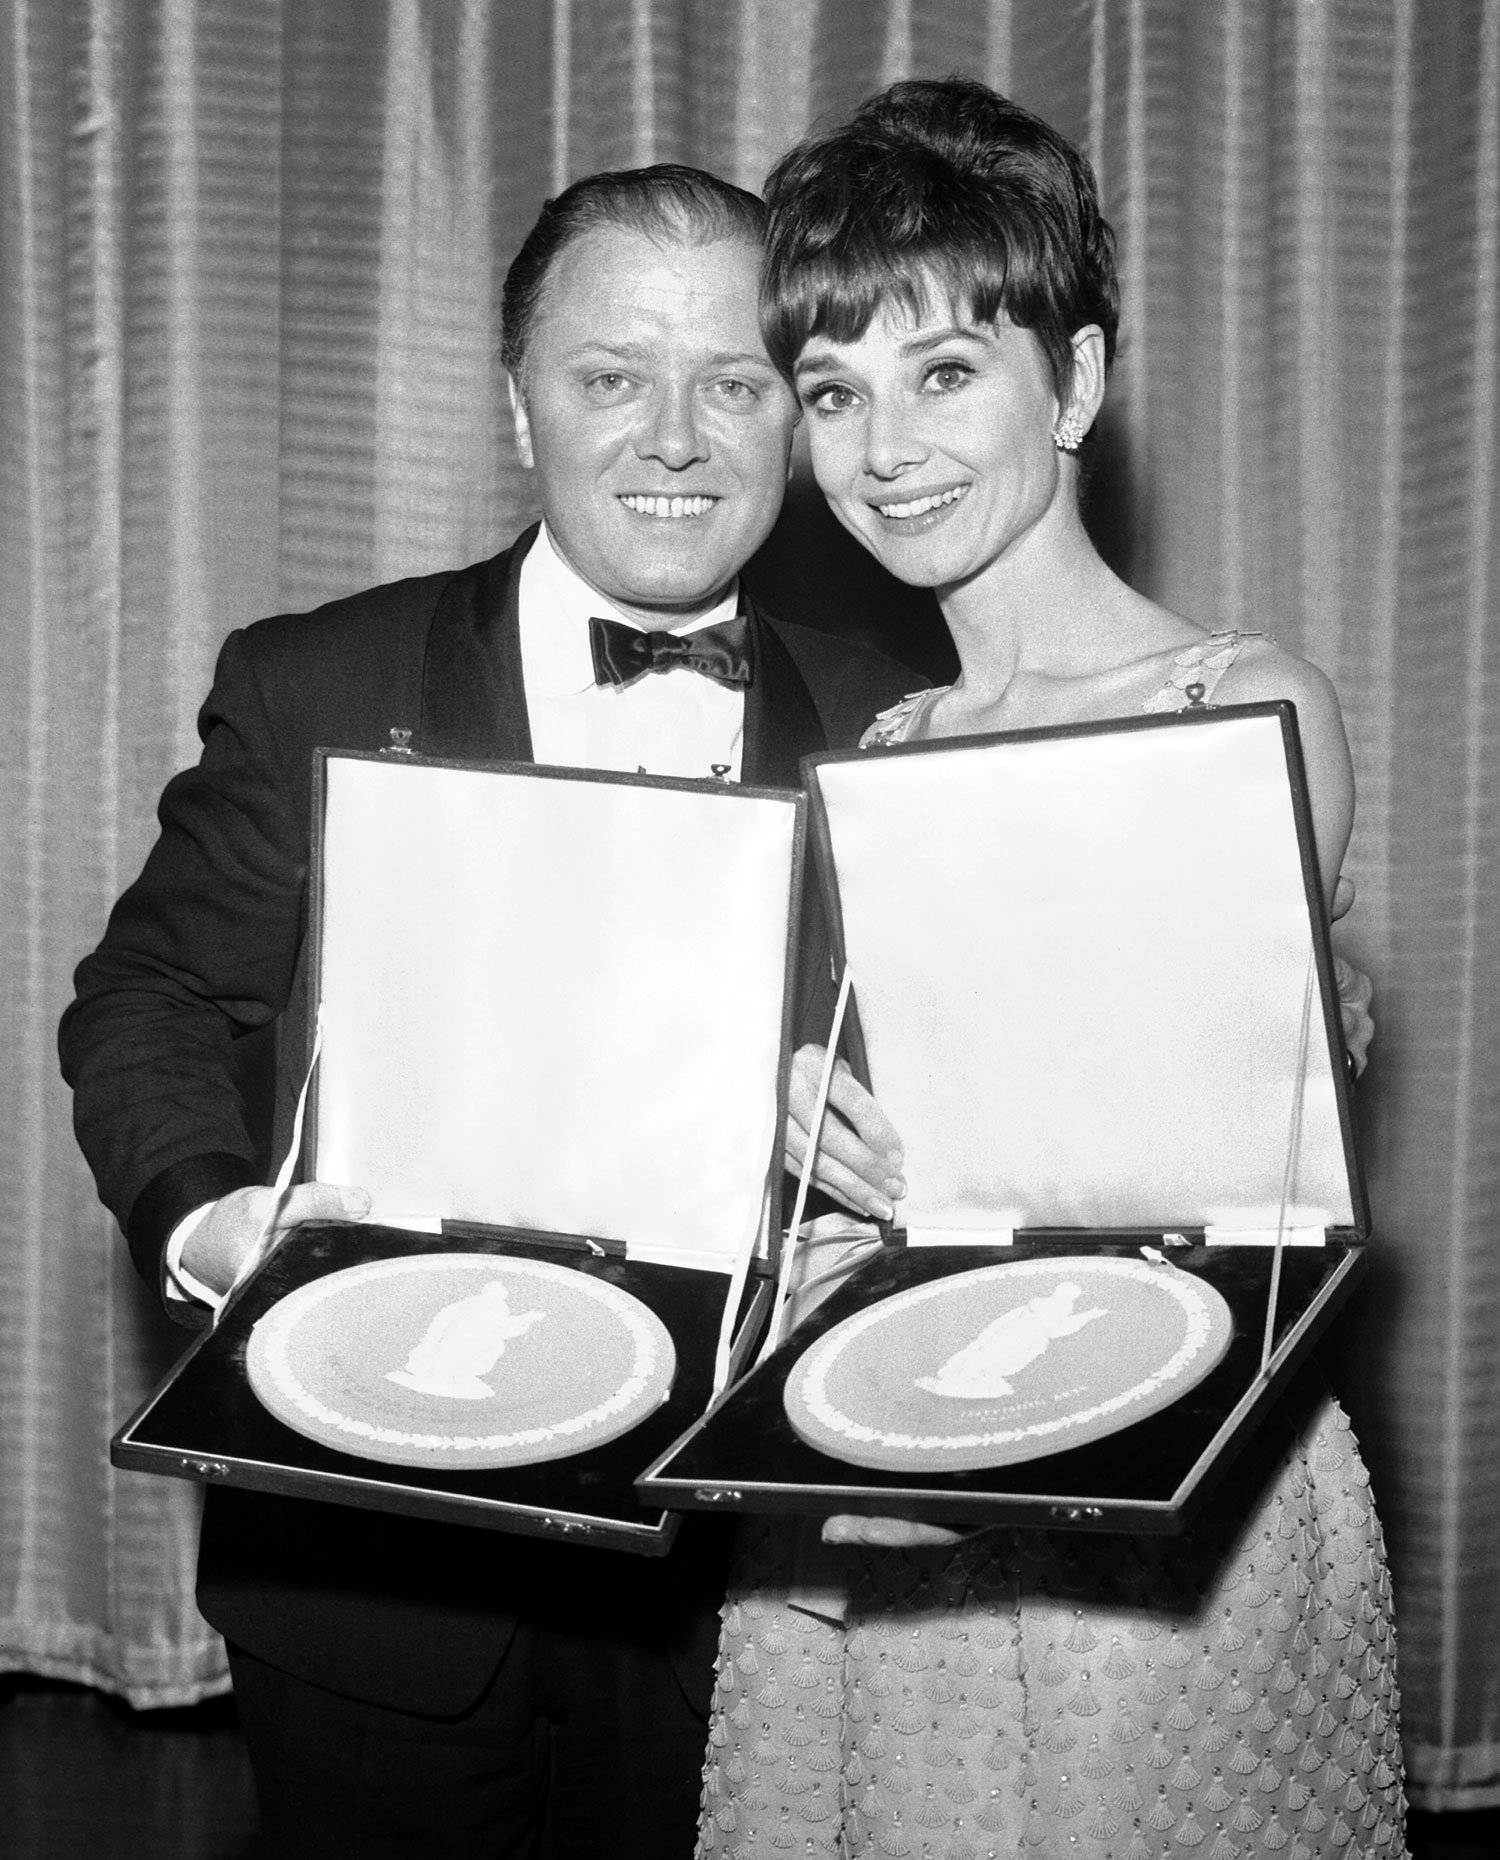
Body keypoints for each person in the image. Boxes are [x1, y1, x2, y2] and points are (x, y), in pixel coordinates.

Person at [59, 163, 917, 1860]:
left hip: (734, 1586)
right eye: (612, 377)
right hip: (371, 1577)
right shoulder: (314, 682)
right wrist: (212, 1223)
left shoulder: (906, 724)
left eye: (734, 383)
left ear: (798, 421)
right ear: (519, 405)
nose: (675, 437)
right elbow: (145, 997)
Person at [698, 82, 1406, 1860]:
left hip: (1172, 1501)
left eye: (946, 373)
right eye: (837, 393)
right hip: (884, 1483)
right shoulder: (880, 741)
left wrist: (939, 1166)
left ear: (1076, 381)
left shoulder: (1243, 708)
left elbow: (1205, 1177)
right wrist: (804, 1144)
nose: (885, 449)